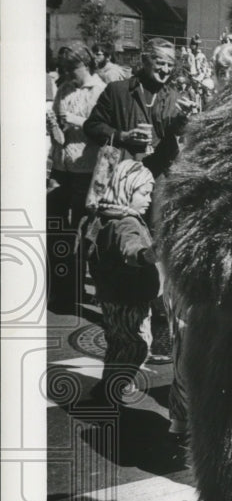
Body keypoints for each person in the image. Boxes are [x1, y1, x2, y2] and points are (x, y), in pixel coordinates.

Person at [85, 160, 159, 402]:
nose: (149, 199)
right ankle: (110, 390)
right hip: (130, 297)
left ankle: (108, 384)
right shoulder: (127, 223)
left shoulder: (104, 216)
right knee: (137, 345)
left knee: (117, 342)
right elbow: (131, 250)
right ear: (127, 189)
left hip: (111, 295)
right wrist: (148, 255)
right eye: (144, 193)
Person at [48, 42, 107, 307]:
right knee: (58, 228)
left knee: (83, 229)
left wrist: (74, 120)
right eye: (65, 69)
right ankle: (64, 286)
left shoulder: (100, 91)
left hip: (86, 168)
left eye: (73, 68)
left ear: (85, 63)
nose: (69, 74)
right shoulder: (63, 89)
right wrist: (53, 126)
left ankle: (80, 287)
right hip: (62, 166)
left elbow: (103, 130)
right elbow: (60, 136)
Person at [84, 37, 192, 179]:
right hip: (121, 174)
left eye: (170, 65)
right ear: (144, 60)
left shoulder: (175, 98)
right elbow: (92, 126)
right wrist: (122, 136)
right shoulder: (117, 91)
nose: (165, 70)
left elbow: (175, 134)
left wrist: (184, 118)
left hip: (157, 176)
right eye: (160, 63)